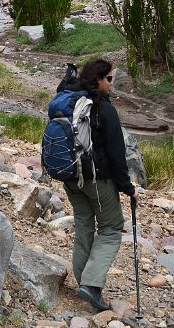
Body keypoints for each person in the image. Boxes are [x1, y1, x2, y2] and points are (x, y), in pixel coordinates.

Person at [61, 58, 136, 312]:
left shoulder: (69, 101)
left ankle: (84, 284)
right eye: (110, 79)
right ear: (98, 80)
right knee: (111, 227)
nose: (112, 84)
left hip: (70, 178)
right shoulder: (103, 109)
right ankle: (92, 286)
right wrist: (128, 187)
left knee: (83, 225)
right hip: (96, 179)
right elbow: (117, 154)